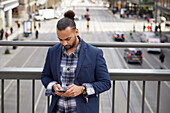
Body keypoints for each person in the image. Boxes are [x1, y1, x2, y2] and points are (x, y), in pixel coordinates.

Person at [41, 10, 111, 113]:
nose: (64, 43)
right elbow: (45, 76)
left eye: (68, 39)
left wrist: (83, 89)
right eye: (60, 39)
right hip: (58, 109)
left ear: (76, 32)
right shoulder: (52, 51)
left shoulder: (94, 53)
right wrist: (53, 86)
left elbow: (105, 83)